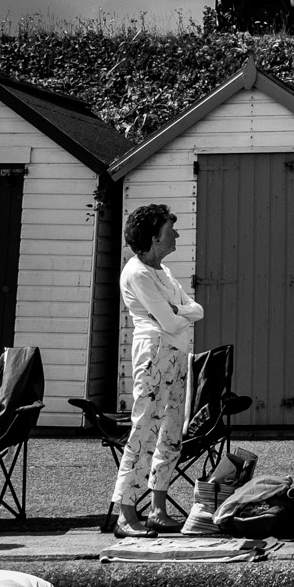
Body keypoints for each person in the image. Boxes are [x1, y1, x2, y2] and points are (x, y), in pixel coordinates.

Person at [111, 203, 204, 539]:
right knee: (144, 431)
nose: (176, 234)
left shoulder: (163, 273)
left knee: (171, 433)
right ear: (153, 237)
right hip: (153, 354)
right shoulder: (136, 273)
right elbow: (169, 320)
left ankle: (158, 509)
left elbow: (197, 309)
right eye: (169, 230)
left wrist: (178, 313)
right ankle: (126, 513)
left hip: (176, 353)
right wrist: (180, 315)